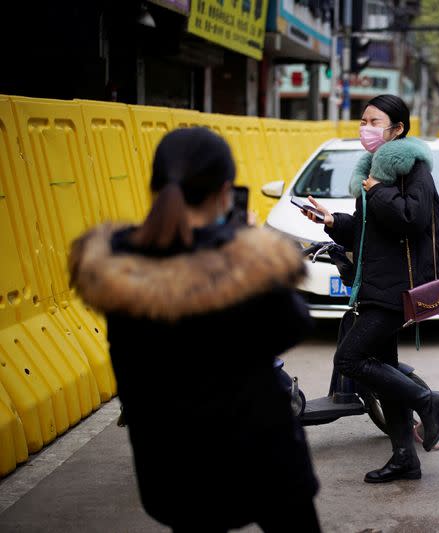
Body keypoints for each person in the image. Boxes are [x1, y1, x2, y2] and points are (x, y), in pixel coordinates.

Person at [69, 128, 320, 532]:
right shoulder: (238, 261)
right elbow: (292, 324)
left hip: (171, 467)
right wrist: (248, 241)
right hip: (263, 460)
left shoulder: (119, 268)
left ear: (155, 187)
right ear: (225, 192)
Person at [301, 95, 439, 483]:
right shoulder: (372, 170)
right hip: (374, 282)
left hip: (397, 287)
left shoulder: (412, 168)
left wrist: (375, 192)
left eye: (373, 121)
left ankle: (428, 400)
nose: (365, 127)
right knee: (381, 366)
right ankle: (405, 457)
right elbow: (369, 228)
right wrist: (332, 220)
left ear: (397, 129)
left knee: (349, 359)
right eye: (363, 120)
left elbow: (412, 218)